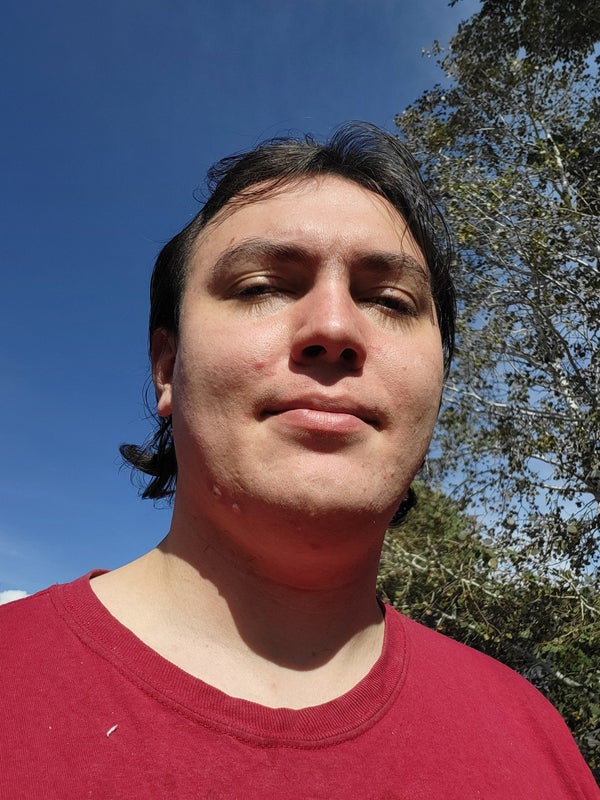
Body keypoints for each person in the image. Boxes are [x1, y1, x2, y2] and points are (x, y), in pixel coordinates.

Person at [1, 123, 597, 799]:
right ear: (167, 369)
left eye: (389, 300)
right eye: (261, 286)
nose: (335, 329)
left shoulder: (534, 743)